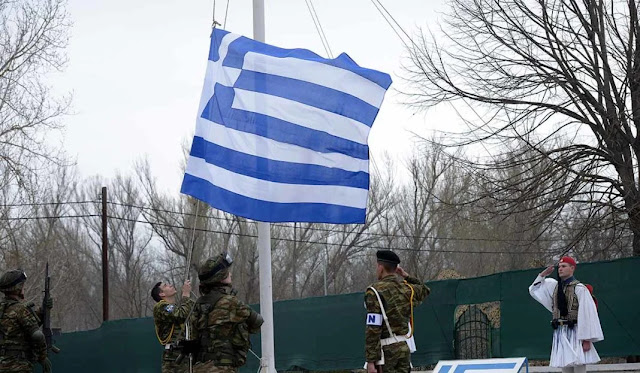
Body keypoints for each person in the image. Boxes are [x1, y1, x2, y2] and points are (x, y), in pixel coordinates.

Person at [190, 252, 264, 373]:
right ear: (220, 277)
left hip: (199, 367)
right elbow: (257, 322)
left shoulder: (198, 303)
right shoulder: (230, 302)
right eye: (226, 272)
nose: (230, 274)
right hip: (222, 368)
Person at [529, 256, 604, 373]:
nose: (560, 269)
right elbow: (534, 289)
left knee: (579, 365)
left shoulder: (579, 288)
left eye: (564, 266)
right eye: (559, 267)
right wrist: (542, 275)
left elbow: (587, 314)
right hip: (561, 332)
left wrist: (587, 339)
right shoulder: (554, 286)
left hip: (576, 332)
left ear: (572, 268)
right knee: (566, 366)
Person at [365, 250, 431, 373]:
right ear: (396, 269)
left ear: (380, 267)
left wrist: (370, 361)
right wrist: (406, 275)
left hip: (386, 352)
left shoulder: (374, 291)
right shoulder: (407, 288)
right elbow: (425, 289)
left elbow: (373, 329)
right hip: (403, 349)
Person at [0, 269, 52, 373]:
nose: (24, 288)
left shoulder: (3, 309)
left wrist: (43, 311)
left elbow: (17, 327)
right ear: (18, 288)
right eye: (23, 286)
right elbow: (37, 335)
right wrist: (43, 357)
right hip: (18, 366)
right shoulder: (21, 310)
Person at [152, 279, 194, 373]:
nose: (170, 285)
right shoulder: (161, 307)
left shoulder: (174, 307)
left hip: (186, 354)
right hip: (173, 357)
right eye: (165, 285)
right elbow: (182, 314)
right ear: (162, 294)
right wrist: (186, 295)